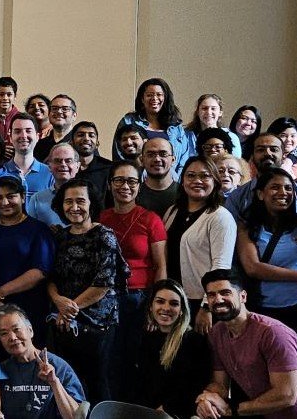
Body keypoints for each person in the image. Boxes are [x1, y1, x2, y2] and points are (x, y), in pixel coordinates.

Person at [234, 167, 297, 399]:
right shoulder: (246, 226)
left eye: (289, 188)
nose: (283, 192)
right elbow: (253, 267)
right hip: (264, 313)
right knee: (263, 380)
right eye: (275, 187)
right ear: (260, 193)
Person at [196, 269, 297, 419]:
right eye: (211, 295)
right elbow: (220, 385)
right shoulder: (217, 333)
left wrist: (232, 410)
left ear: (243, 296)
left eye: (225, 293)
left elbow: (286, 395)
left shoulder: (273, 333)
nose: (218, 299)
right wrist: (207, 399)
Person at [45, 179, 124, 402]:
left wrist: (69, 309)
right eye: (68, 202)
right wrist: (59, 301)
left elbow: (103, 283)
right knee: (68, 383)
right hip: (63, 324)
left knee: (98, 382)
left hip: (97, 324)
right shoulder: (60, 236)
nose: (74, 207)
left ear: (92, 204)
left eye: (80, 201)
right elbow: (50, 278)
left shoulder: (104, 236)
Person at [0, 176, 55, 353]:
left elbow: (40, 271)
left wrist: (0, 292)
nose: (5, 202)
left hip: (29, 308)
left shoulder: (38, 229)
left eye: (11, 196)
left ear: (23, 197)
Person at [97, 162, 166, 365]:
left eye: (131, 181)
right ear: (110, 184)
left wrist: (155, 305)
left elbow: (161, 265)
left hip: (140, 298)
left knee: (136, 356)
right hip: (106, 297)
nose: (125, 186)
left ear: (139, 185)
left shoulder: (151, 219)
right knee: (109, 356)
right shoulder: (101, 218)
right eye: (118, 180)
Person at [161, 156, 236, 321]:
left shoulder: (220, 217)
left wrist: (207, 307)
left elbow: (221, 266)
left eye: (204, 176)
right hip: (175, 298)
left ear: (215, 181)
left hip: (202, 302)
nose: (197, 180)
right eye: (191, 175)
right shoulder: (172, 212)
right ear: (182, 181)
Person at [123, 279, 210, 418]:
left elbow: (194, 387)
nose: (166, 308)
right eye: (160, 301)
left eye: (174, 304)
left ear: (181, 310)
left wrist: (165, 409)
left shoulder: (194, 341)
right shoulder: (145, 339)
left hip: (180, 413)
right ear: (151, 306)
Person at [0, 305, 84, 419]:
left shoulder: (58, 366)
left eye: (16, 329)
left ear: (30, 331)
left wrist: (54, 382)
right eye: (4, 333)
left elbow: (76, 417)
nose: (12, 337)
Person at [115, 78, 194, 174]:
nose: (154, 98)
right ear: (142, 99)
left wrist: (177, 182)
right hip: (135, 183)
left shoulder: (177, 127)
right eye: (149, 95)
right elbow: (118, 153)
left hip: (172, 183)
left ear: (165, 98)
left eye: (159, 94)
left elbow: (184, 159)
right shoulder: (128, 121)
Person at [3, 114, 53, 197]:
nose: (23, 135)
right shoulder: (0, 173)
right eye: (17, 131)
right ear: (10, 138)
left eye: (28, 131)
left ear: (37, 136)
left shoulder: (51, 174)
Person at [185, 94, 240, 159]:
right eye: (204, 108)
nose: (208, 112)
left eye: (213, 108)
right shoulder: (186, 137)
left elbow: (236, 164)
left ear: (220, 113)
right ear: (197, 112)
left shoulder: (232, 137)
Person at [136, 138, 179, 215]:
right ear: (142, 160)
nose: (157, 159)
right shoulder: (134, 194)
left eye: (163, 154)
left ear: (173, 160)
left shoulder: (185, 194)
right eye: (150, 155)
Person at [33, 94, 76, 163]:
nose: (59, 112)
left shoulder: (80, 143)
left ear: (74, 115)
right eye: (55, 108)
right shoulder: (40, 145)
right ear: (49, 114)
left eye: (65, 109)